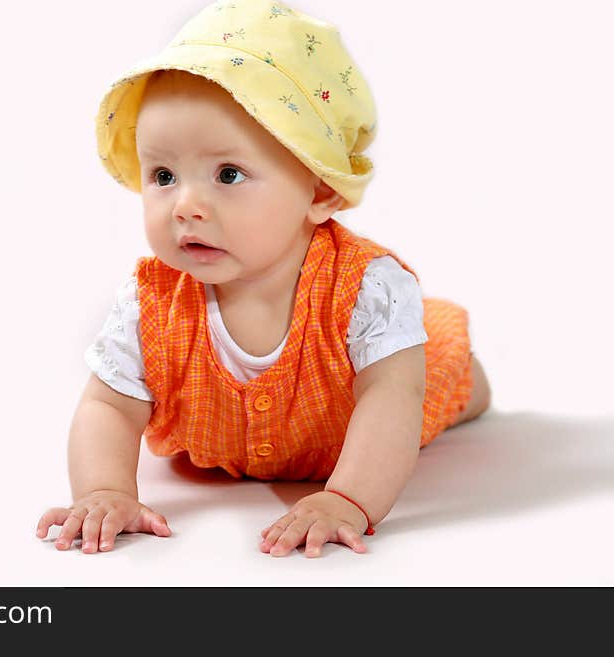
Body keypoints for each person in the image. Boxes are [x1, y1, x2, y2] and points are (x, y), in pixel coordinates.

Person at [36, 0, 491, 558]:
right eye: (163, 175)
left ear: (320, 190)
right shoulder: (151, 301)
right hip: (224, 451)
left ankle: (470, 380)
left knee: (436, 377)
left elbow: (391, 396)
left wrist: (346, 499)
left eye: (228, 174)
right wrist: (104, 490)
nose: (185, 205)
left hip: (354, 434)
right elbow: (109, 406)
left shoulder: (364, 289)